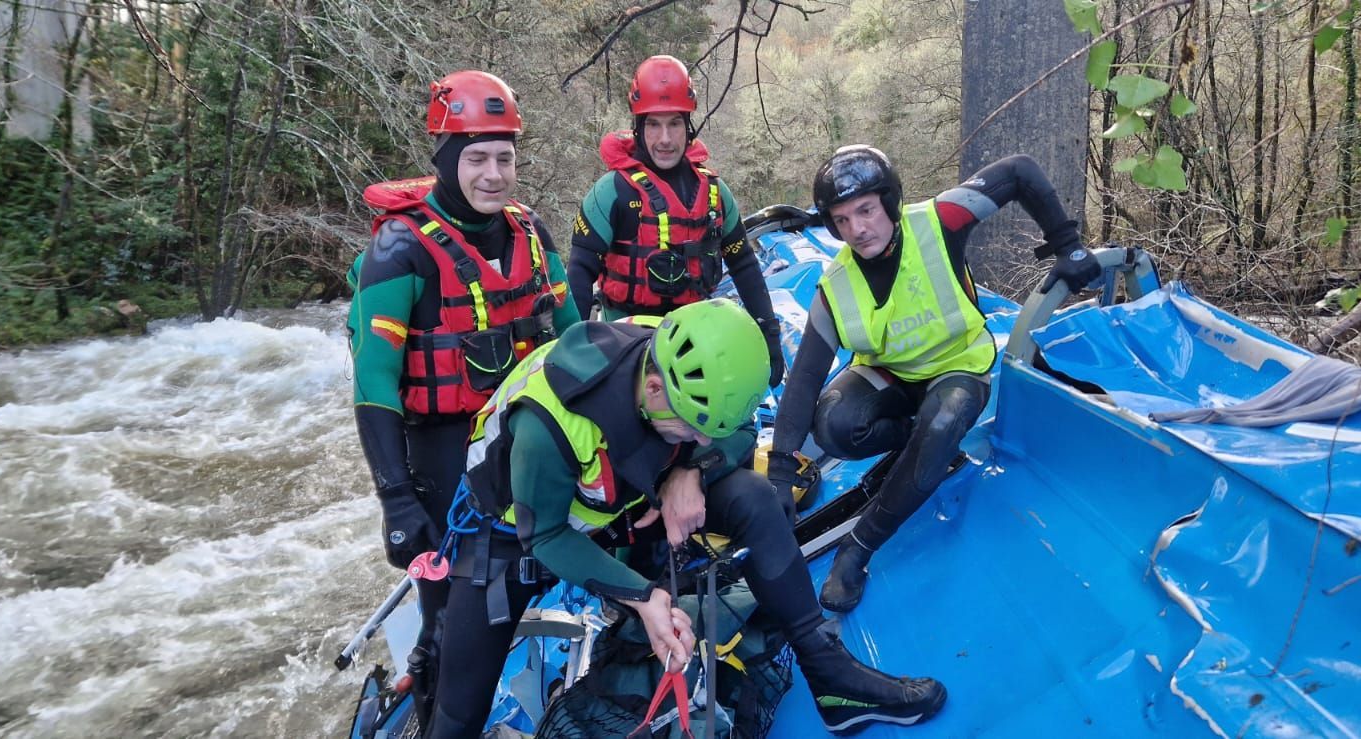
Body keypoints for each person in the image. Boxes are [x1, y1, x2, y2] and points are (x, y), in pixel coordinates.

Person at [427, 299, 946, 737]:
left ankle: (832, 680)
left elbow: (740, 434)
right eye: (690, 429)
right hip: (514, 535)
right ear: (654, 390)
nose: (701, 438)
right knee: (460, 707)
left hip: (625, 503)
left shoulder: (684, 356)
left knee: (753, 497)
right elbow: (546, 534)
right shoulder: (550, 422)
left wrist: (691, 471)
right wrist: (644, 596)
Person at [767, 147, 1100, 613]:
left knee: (942, 423)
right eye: (841, 220)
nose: (857, 230)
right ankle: (923, 445)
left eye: (866, 210)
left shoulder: (939, 221)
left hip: (958, 365)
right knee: (834, 426)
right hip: (892, 377)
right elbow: (803, 379)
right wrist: (781, 471)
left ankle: (860, 546)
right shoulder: (835, 284)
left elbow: (1020, 169)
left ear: (890, 202)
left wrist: (1069, 247)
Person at [346, 70, 579, 724]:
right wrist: (395, 497)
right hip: (442, 455)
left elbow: (577, 340)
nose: (494, 173)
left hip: (527, 443)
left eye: (505, 157)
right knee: (449, 617)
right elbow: (374, 381)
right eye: (476, 157)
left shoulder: (531, 232)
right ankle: (431, 684)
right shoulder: (399, 250)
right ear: (445, 159)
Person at [567, 55, 784, 386]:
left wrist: (769, 331)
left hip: (694, 343)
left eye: (674, 124)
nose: (665, 139)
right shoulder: (612, 192)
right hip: (626, 343)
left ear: (689, 126)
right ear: (638, 128)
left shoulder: (715, 192)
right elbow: (579, 274)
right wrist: (571, 352)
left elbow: (744, 264)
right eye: (653, 124)